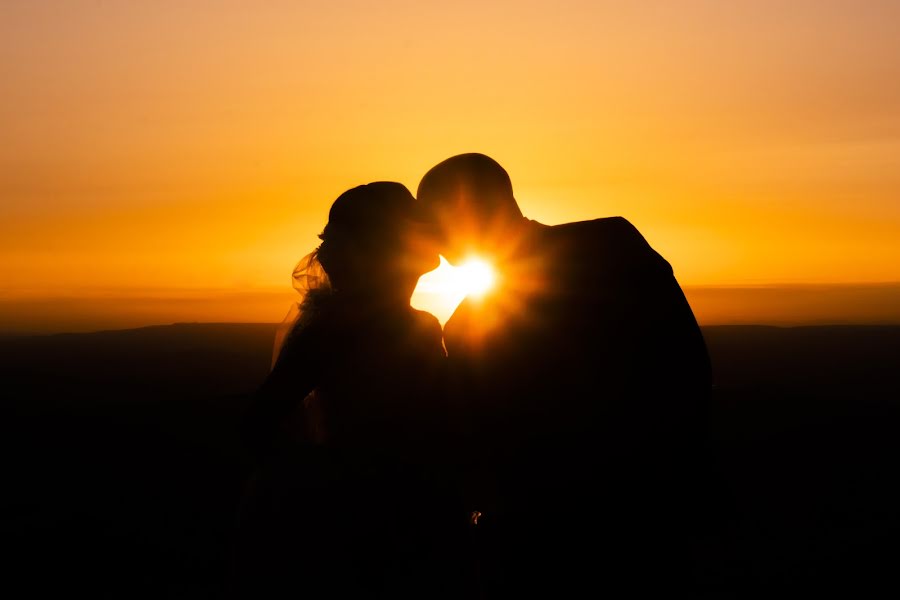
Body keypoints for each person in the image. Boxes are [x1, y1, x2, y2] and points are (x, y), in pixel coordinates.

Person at [416, 153, 716, 597]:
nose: (436, 243)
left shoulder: (611, 247)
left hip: (618, 519)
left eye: (437, 219)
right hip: (587, 523)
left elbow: (683, 366)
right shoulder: (612, 245)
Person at [230, 182, 475, 599]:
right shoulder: (336, 330)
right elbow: (258, 422)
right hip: (363, 518)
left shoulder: (417, 325)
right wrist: (334, 486)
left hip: (413, 503)